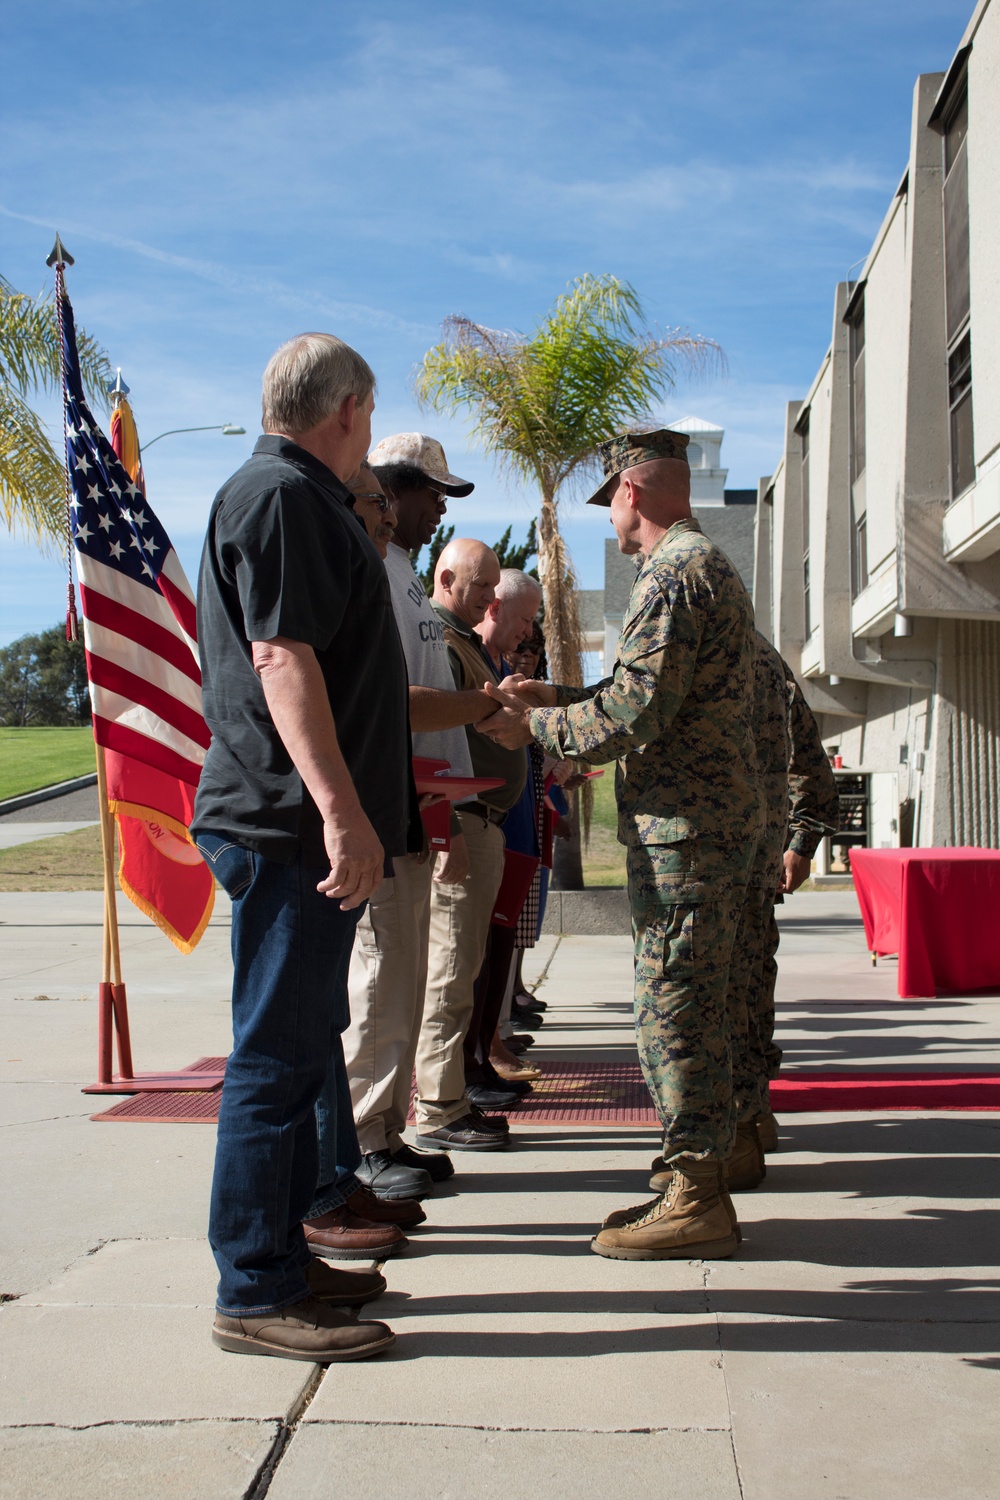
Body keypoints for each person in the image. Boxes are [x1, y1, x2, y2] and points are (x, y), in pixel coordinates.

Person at [479, 429, 762, 1260]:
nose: (609, 521)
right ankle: (703, 1166)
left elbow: (636, 713)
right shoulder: (699, 568)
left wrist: (533, 723)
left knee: (673, 1009)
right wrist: (562, 696)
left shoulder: (673, 574)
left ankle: (696, 1194)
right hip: (701, 830)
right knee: (695, 1005)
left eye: (609, 504)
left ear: (631, 491)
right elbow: (653, 693)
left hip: (688, 838)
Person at [193, 332, 419, 1363]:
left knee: (297, 1050)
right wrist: (341, 811)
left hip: (301, 826)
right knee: (277, 1059)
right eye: (368, 417)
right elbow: (282, 656)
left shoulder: (297, 496)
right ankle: (253, 1285)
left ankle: (282, 1260)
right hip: (290, 827)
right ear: (351, 409)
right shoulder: (280, 496)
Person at [337, 434, 505, 1200]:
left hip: (418, 805)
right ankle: (364, 1141)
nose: (439, 507)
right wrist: (486, 704)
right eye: (430, 493)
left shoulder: (402, 575)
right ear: (388, 490)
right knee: (380, 982)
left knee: (401, 981)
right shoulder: (375, 569)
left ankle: (387, 1131)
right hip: (383, 803)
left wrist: (439, 814)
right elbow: (391, 707)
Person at [410, 542, 527, 1151]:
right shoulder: (439, 638)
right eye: (482, 587)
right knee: (451, 968)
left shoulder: (463, 642)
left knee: (463, 965)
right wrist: (499, 700)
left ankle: (447, 1094)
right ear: (447, 578)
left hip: (480, 820)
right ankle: (438, 1106)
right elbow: (430, 726)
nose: (491, 599)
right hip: (460, 818)